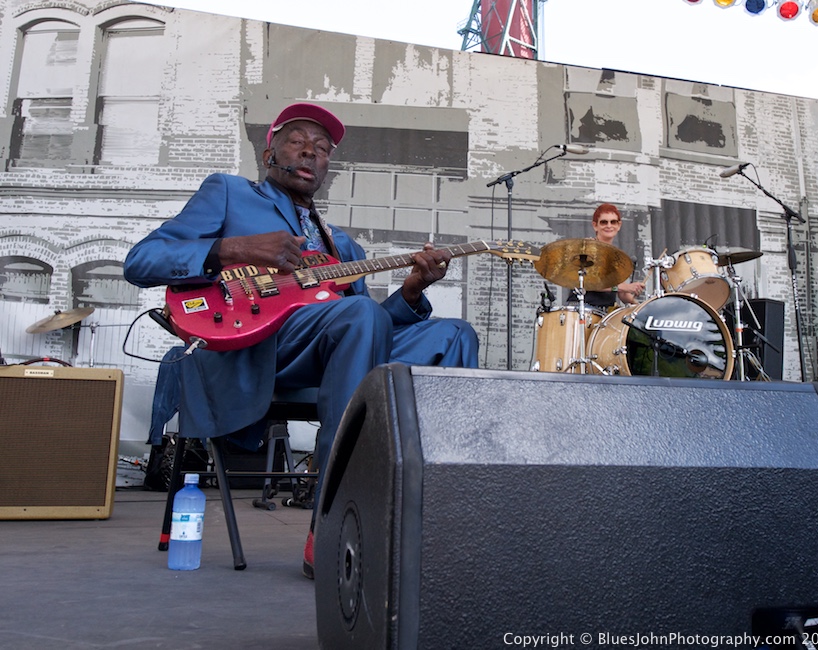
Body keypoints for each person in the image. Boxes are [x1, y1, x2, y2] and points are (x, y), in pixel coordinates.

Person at [124, 102, 479, 579]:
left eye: (323, 149)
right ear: (270, 153)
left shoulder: (342, 245)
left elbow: (375, 324)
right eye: (298, 142)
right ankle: (334, 528)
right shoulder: (229, 193)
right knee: (357, 315)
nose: (311, 153)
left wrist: (413, 291)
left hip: (340, 351)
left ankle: (437, 512)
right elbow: (141, 261)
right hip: (260, 351)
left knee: (454, 333)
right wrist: (236, 247)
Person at [566, 203, 645, 309]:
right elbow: (590, 282)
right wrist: (626, 287)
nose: (609, 226)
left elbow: (622, 293)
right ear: (595, 225)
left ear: (619, 226)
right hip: (583, 309)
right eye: (604, 222)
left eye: (613, 222)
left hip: (606, 314)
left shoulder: (617, 257)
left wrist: (640, 306)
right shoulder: (586, 248)